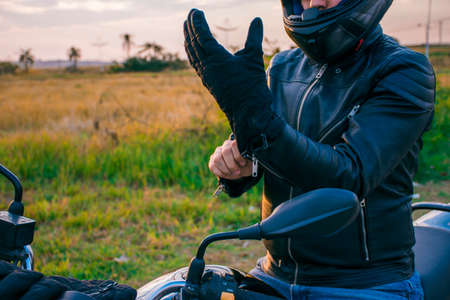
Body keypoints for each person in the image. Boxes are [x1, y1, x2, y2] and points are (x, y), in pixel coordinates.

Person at [184, 0, 435, 299]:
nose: (315, 3)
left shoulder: (403, 70)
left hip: (365, 285)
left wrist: (259, 124)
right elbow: (267, 148)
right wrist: (239, 167)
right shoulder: (283, 66)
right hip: (274, 273)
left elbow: (348, 175)